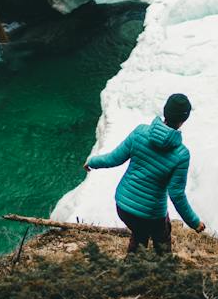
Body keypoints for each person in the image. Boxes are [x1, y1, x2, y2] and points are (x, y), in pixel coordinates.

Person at [85, 93, 205, 253]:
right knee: (162, 242)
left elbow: (113, 159)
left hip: (123, 205)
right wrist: (194, 222)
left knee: (140, 234)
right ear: (183, 120)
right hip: (151, 214)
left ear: (165, 111)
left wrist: (92, 162)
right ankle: (162, 270)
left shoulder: (140, 132)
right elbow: (176, 195)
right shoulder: (181, 154)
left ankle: (133, 265)